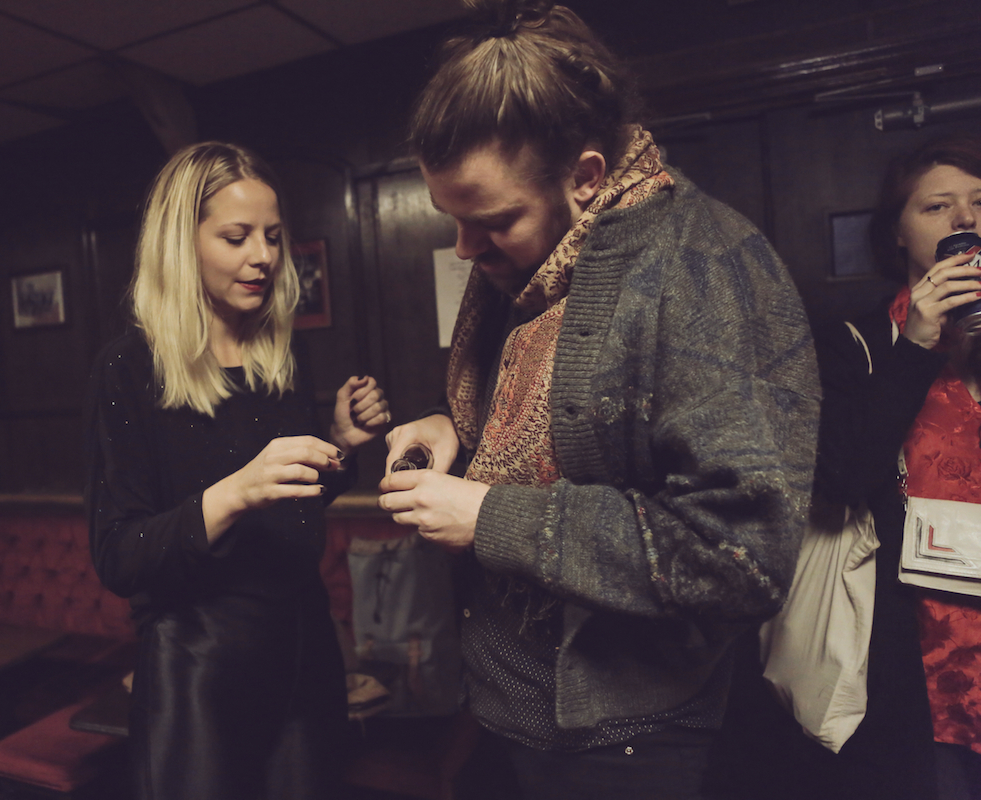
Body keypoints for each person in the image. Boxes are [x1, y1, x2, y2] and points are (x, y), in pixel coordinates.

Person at [376, 1, 821, 797]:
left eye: (490, 221)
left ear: (585, 177)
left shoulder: (705, 266)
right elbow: (552, 434)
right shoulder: (531, 269)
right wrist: (455, 428)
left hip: (625, 744)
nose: (464, 249)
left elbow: (737, 556)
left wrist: (487, 516)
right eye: (452, 220)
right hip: (505, 714)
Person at [84, 141, 389, 800]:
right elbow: (118, 554)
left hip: (303, 648)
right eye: (237, 236)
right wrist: (235, 493)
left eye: (274, 238)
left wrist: (338, 444)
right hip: (198, 664)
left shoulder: (279, 353)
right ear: (181, 243)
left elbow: (293, 508)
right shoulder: (128, 368)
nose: (264, 256)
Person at [787, 133, 981, 800]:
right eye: (937, 207)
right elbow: (838, 480)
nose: (966, 220)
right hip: (917, 662)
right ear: (896, 233)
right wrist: (918, 345)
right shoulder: (856, 346)